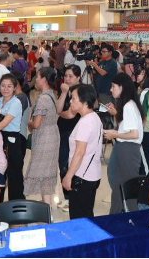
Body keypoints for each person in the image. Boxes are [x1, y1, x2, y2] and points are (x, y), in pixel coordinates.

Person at [103, 73, 145, 214]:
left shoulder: (128, 106)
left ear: (122, 87)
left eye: (113, 86)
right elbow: (125, 126)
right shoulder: (128, 105)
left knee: (129, 186)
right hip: (124, 148)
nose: (111, 89)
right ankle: (115, 214)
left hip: (128, 149)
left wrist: (114, 134)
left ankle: (133, 216)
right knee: (117, 185)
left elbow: (134, 134)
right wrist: (115, 114)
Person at [62, 84, 103, 220]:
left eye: (73, 98)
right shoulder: (94, 117)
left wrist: (68, 177)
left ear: (84, 102)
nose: (71, 101)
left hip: (82, 177)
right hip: (92, 174)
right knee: (86, 215)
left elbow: (79, 152)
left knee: (79, 219)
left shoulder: (85, 122)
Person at [24, 67, 60, 207]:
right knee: (47, 172)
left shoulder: (43, 98)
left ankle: (47, 206)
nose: (35, 80)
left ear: (44, 79)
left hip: (45, 138)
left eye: (37, 77)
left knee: (40, 169)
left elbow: (36, 123)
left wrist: (28, 122)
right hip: (52, 135)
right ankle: (47, 205)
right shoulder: (51, 94)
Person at [0, 74, 25, 200]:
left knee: (14, 174)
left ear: (14, 88)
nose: (6, 89)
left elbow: (3, 123)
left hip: (12, 140)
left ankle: (17, 203)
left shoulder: (16, 103)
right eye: (3, 86)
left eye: (9, 86)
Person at [56, 65, 82, 213]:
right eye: (65, 76)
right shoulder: (64, 91)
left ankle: (72, 198)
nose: (67, 79)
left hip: (75, 132)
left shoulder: (81, 92)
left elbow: (70, 114)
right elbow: (58, 109)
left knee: (71, 163)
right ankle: (66, 197)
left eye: (71, 76)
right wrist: (64, 93)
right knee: (62, 163)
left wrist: (61, 113)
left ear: (78, 77)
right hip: (62, 131)